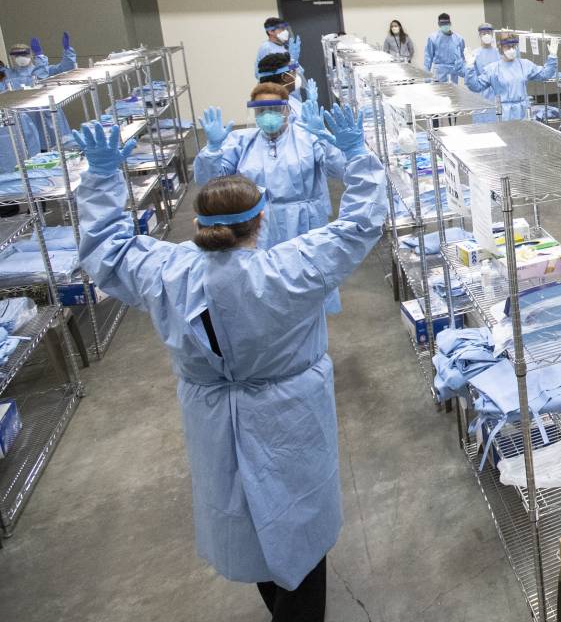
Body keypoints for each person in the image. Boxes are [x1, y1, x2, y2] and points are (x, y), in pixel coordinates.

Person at [71, 105, 383, 622]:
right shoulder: (289, 269)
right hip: (291, 418)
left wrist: (102, 177)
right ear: (261, 221)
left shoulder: (167, 272)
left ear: (198, 226)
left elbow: (106, 250)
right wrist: (358, 156)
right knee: (298, 529)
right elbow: (360, 223)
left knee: (248, 522)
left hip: (214, 419)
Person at [195, 83, 347, 314]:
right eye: (261, 111)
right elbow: (212, 181)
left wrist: (325, 139)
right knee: (265, 287)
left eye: (274, 109)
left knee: (309, 281)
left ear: (287, 109)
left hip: (305, 223)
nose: (268, 116)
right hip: (259, 225)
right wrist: (213, 149)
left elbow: (339, 170)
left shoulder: (306, 138)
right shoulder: (242, 142)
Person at [464, 32, 558, 121]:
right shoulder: (493, 69)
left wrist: (552, 57)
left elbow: (545, 74)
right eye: (508, 47)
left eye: (513, 46)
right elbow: (475, 86)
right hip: (503, 112)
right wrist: (469, 66)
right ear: (501, 48)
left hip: (523, 110)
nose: (512, 50)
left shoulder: (525, 65)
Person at [5, 35, 78, 148]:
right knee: (31, 149)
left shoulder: (44, 69)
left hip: (47, 116)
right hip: (24, 120)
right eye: (17, 55)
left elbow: (66, 68)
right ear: (12, 58)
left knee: (58, 147)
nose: (20, 58)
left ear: (31, 54)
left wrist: (68, 51)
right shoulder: (6, 74)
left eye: (24, 54)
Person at [466, 23, 503, 123]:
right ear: (479, 35)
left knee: (500, 124)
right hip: (481, 94)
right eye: (483, 33)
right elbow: (471, 79)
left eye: (488, 33)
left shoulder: (499, 53)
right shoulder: (474, 54)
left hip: (497, 93)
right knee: (482, 124)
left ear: (492, 34)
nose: (486, 35)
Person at [424, 12, 466, 84]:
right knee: (439, 92)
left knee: (453, 92)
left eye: (446, 23)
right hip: (439, 72)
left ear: (450, 23)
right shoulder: (433, 38)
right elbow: (428, 57)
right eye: (442, 24)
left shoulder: (459, 39)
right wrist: (426, 75)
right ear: (439, 24)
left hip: (453, 71)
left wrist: (464, 72)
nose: (445, 25)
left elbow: (462, 57)